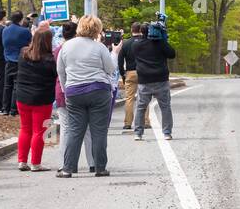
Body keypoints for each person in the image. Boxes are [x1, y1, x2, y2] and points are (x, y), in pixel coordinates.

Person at [56, 14, 117, 178]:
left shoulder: (66, 47)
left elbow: (61, 71)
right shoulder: (100, 47)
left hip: (74, 91)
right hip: (98, 90)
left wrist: (65, 88)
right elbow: (110, 69)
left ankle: (68, 168)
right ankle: (100, 167)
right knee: (99, 131)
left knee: (74, 130)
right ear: (97, 30)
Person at [15, 26, 57, 171]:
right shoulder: (50, 60)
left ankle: (22, 161)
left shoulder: (23, 53)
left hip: (22, 96)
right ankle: (35, 163)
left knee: (25, 129)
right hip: (42, 99)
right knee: (39, 131)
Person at [133, 18, 177, 141]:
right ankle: (167, 132)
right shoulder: (160, 43)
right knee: (165, 107)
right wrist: (163, 38)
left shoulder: (136, 45)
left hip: (144, 81)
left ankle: (138, 133)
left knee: (141, 107)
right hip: (161, 80)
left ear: (142, 32)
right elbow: (172, 54)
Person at [1, 11, 31, 115]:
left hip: (8, 60)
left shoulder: (5, 30)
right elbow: (29, 43)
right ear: (21, 19)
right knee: (16, 85)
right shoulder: (24, 31)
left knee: (7, 85)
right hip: (19, 60)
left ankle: (5, 108)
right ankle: (14, 109)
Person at [117, 22, 144, 131]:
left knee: (129, 99)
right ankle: (145, 121)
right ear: (141, 30)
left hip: (130, 72)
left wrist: (122, 74)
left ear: (131, 30)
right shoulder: (144, 42)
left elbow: (120, 60)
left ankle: (128, 123)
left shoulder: (126, 43)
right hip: (143, 72)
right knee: (144, 97)